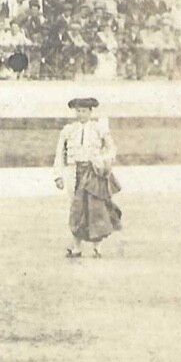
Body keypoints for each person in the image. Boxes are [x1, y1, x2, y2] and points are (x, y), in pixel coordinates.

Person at [53, 97, 122, 258]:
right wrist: (58, 176)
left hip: (92, 172)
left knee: (95, 208)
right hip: (73, 171)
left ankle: (97, 247)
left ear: (90, 112)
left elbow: (112, 149)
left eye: (84, 111)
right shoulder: (68, 130)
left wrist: (102, 161)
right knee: (77, 208)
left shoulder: (98, 129)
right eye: (78, 111)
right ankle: (76, 246)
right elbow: (59, 154)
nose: (81, 114)